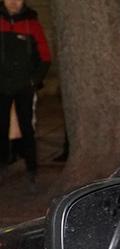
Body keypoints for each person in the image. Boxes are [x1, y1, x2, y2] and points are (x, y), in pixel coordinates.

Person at [0, 0, 50, 188]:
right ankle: (3, 164)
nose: (13, 2)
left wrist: (33, 81)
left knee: (27, 128)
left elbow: (45, 57)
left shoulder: (32, 24)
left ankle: (32, 170)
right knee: (1, 128)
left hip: (24, 88)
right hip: (1, 87)